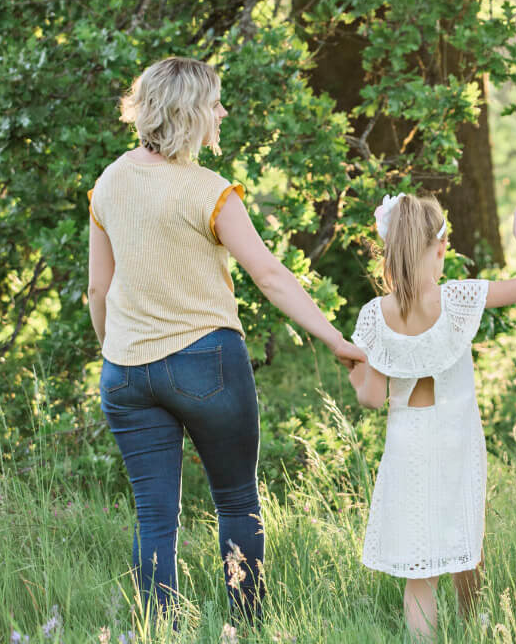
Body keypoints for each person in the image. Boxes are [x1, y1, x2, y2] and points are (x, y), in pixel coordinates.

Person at [87, 57, 365, 623]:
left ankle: (158, 631)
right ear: (190, 113)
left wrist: (116, 354)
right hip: (205, 362)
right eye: (215, 103)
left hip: (125, 370)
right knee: (237, 501)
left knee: (153, 517)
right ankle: (250, 626)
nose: (223, 112)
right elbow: (270, 277)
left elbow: (98, 289)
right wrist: (336, 339)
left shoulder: (109, 182)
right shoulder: (208, 191)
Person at [348, 195, 516, 640]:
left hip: (407, 444)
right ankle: (473, 625)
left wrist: (354, 369)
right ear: (440, 248)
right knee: (467, 537)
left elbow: (371, 398)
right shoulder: (458, 299)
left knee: (420, 568)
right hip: (457, 438)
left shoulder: (375, 316)